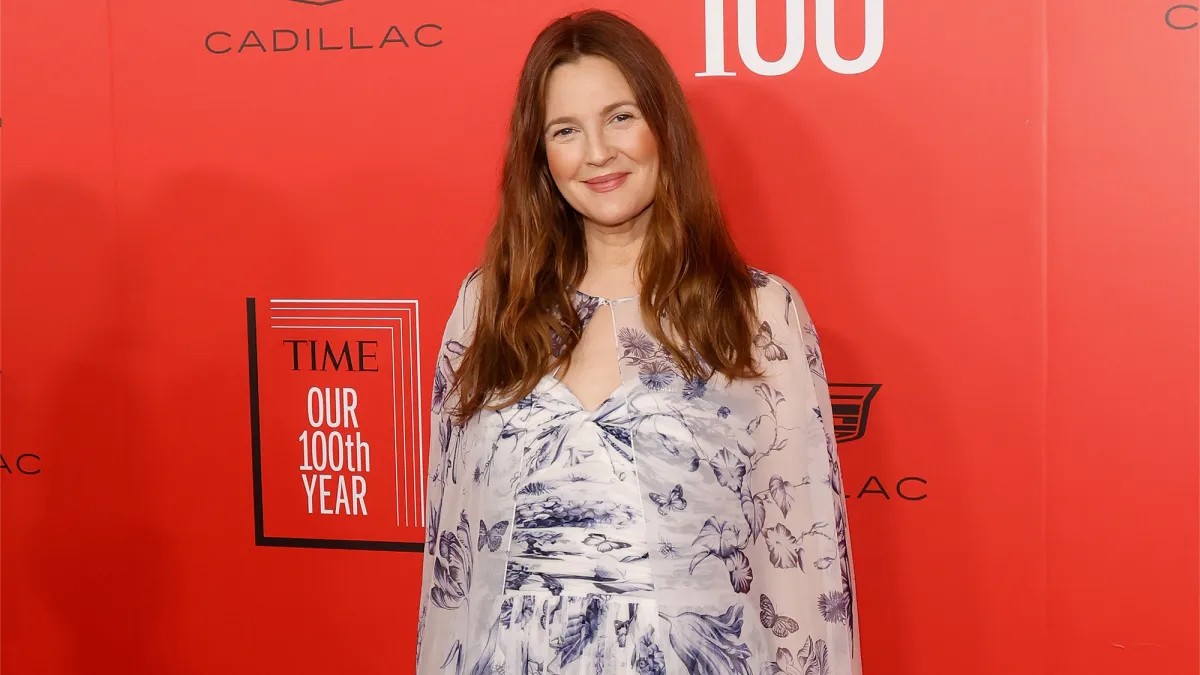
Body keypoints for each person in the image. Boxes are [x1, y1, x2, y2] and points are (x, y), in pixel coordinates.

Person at [416, 9, 862, 675]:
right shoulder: (486, 308)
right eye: (567, 130)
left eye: (620, 117)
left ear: (664, 125)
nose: (598, 152)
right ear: (541, 155)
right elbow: (449, 570)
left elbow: (804, 565)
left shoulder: (757, 314)